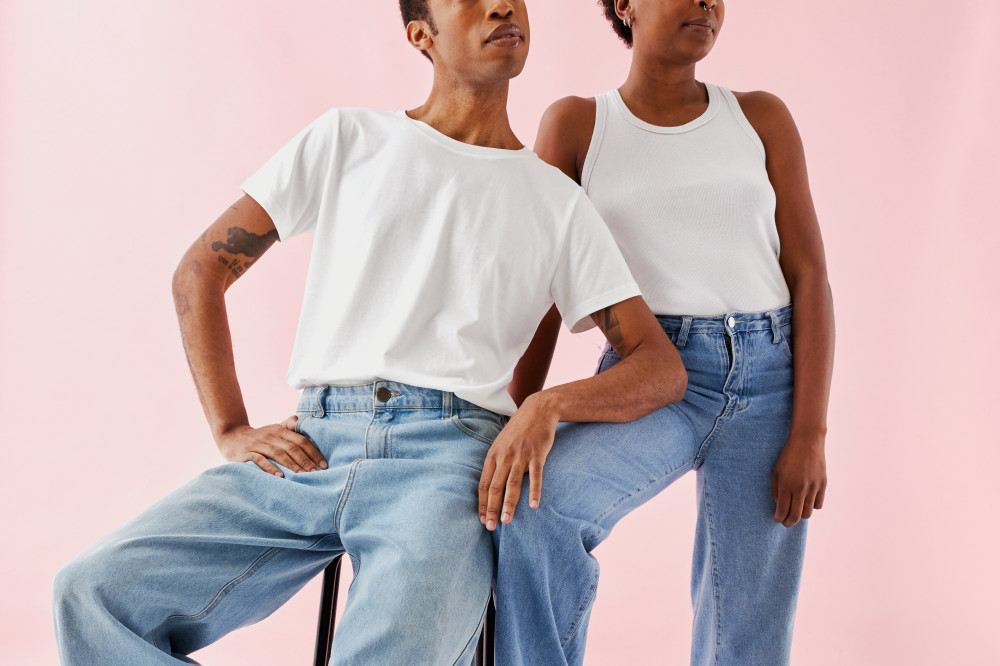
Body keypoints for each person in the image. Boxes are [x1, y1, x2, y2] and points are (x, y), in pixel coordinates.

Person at [50, 1, 690, 664]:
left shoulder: (557, 205)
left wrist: (547, 405)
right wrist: (231, 428)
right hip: (309, 448)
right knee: (91, 595)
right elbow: (198, 274)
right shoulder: (347, 140)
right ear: (421, 35)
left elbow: (660, 367)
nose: (502, 5)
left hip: (443, 465)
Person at [488, 0, 835, 664]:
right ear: (625, 5)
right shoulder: (579, 123)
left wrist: (810, 433)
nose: (707, 4)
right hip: (649, 378)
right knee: (535, 511)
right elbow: (543, 291)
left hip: (769, 381)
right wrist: (505, 417)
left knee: (747, 634)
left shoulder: (760, 117)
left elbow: (811, 275)